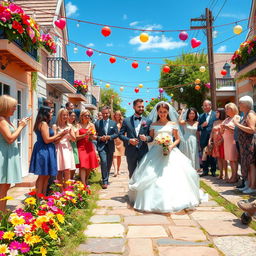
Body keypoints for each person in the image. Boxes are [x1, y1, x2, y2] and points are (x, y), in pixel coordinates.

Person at [129, 102, 207, 213]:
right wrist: (145, 139)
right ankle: (152, 201)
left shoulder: (173, 124)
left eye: (164, 112)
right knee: (152, 175)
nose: (162, 114)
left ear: (168, 112)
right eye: (160, 112)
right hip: (156, 152)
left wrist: (170, 146)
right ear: (157, 112)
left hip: (171, 151)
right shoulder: (153, 124)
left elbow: (177, 139)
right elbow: (151, 138)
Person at [0, 95, 29, 213]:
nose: (15, 109)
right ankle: (1, 214)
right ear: (6, 106)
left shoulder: (6, 119)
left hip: (9, 154)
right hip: (4, 155)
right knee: (3, 186)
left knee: (6, 185)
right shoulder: (1, 120)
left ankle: (3, 210)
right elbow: (10, 138)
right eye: (13, 106)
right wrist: (21, 126)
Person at [29, 106, 68, 195]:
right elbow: (47, 140)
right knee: (42, 176)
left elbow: (52, 139)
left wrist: (61, 135)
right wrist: (60, 133)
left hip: (46, 150)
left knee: (46, 175)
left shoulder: (43, 123)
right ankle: (39, 197)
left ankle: (43, 195)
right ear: (45, 113)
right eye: (51, 112)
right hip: (44, 150)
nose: (52, 114)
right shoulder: (43, 124)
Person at [119, 99, 153, 179]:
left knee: (143, 172)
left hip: (143, 151)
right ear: (134, 107)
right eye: (139, 107)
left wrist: (146, 138)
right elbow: (120, 135)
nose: (141, 108)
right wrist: (129, 140)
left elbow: (151, 137)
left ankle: (141, 191)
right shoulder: (126, 120)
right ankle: (132, 190)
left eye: (142, 107)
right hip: (131, 151)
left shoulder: (148, 121)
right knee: (132, 173)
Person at [233, 96, 256, 193]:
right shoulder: (246, 114)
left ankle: (253, 187)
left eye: (240, 103)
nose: (239, 105)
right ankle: (249, 185)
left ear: (246, 104)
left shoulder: (251, 115)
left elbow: (252, 130)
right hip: (244, 144)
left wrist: (237, 124)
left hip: (249, 143)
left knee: (251, 165)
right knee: (247, 165)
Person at [95, 106, 118, 188]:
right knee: (104, 161)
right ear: (101, 113)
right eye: (103, 113)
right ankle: (105, 181)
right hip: (101, 146)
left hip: (110, 146)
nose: (105, 115)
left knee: (108, 163)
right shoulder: (97, 123)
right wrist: (100, 138)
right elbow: (95, 135)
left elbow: (116, 134)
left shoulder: (113, 123)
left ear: (109, 113)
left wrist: (110, 137)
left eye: (107, 113)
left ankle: (106, 178)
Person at [53, 108, 76, 189]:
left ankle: (67, 190)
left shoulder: (70, 126)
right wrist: (62, 134)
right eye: (64, 115)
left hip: (67, 148)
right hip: (58, 148)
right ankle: (60, 190)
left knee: (67, 170)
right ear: (60, 115)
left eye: (67, 115)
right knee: (59, 170)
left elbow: (74, 139)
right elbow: (54, 141)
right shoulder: (55, 126)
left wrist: (70, 133)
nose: (65, 116)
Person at [76, 110, 99, 185]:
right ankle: (83, 183)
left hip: (89, 146)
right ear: (81, 116)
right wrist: (85, 134)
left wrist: (92, 135)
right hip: (81, 146)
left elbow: (93, 137)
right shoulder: (78, 125)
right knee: (82, 166)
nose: (87, 117)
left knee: (89, 166)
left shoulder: (92, 125)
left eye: (88, 115)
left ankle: (86, 179)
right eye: (85, 115)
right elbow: (76, 137)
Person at [198, 100, 217, 177]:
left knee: (212, 154)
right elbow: (198, 128)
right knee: (204, 154)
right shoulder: (201, 116)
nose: (204, 107)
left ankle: (213, 171)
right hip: (203, 137)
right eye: (203, 106)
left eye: (206, 105)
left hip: (212, 137)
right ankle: (205, 171)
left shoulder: (215, 114)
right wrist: (202, 125)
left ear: (210, 106)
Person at [221, 103, 239, 183]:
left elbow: (237, 130)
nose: (226, 111)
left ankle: (235, 177)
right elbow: (222, 130)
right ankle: (233, 176)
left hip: (232, 141)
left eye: (227, 109)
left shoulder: (236, 117)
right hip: (226, 141)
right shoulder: (227, 119)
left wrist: (227, 127)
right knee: (230, 160)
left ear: (232, 109)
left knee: (233, 159)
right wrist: (222, 129)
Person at [208, 108, 227, 180]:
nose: (216, 114)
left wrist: (221, 140)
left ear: (221, 113)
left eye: (217, 113)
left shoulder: (225, 121)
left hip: (222, 142)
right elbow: (212, 132)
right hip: (215, 142)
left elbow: (225, 133)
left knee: (224, 158)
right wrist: (210, 140)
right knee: (218, 158)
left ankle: (226, 174)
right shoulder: (215, 122)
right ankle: (221, 173)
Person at [112, 110, 125, 176]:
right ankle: (115, 170)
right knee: (114, 155)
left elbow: (125, 132)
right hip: (113, 140)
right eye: (116, 114)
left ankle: (119, 169)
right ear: (115, 115)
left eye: (119, 115)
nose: (117, 116)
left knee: (119, 156)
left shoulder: (122, 123)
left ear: (120, 116)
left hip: (120, 140)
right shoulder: (112, 122)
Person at [68, 111, 80, 179]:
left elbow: (77, 137)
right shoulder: (65, 124)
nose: (73, 117)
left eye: (74, 116)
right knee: (68, 163)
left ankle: (71, 178)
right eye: (71, 115)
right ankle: (67, 179)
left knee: (74, 163)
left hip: (74, 145)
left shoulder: (76, 125)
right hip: (67, 144)